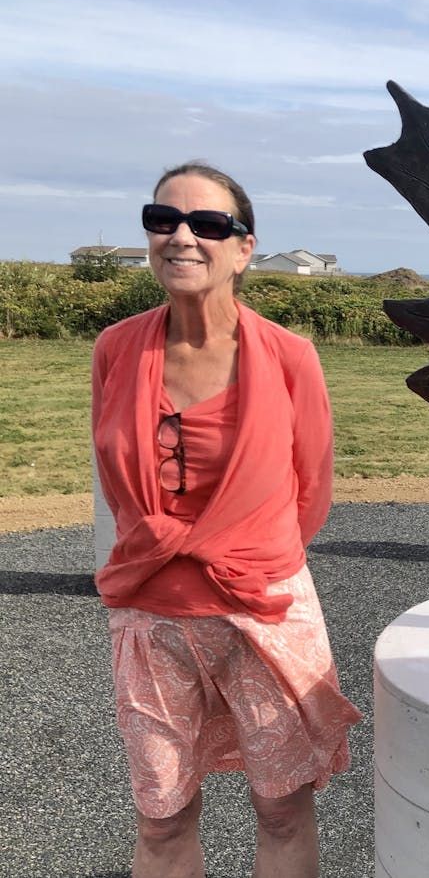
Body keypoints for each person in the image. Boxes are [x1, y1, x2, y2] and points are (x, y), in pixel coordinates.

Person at [91, 162, 362, 878]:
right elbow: (118, 482)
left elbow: (311, 492)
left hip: (263, 613)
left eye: (208, 224)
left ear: (243, 248)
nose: (182, 236)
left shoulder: (291, 359)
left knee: (280, 810)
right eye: (163, 219)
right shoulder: (114, 349)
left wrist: (241, 553)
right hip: (151, 619)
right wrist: (166, 551)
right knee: (161, 818)